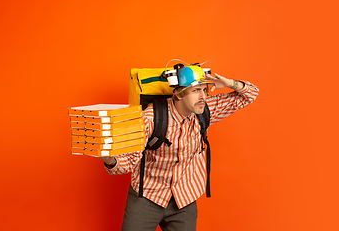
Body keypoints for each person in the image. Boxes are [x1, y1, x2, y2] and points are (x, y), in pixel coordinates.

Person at [100, 66, 259, 231]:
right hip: (147, 196)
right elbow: (127, 163)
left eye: (205, 90)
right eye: (196, 90)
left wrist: (230, 83)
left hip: (184, 197)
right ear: (179, 93)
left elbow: (251, 94)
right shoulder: (151, 118)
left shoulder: (205, 110)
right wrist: (109, 159)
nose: (203, 96)